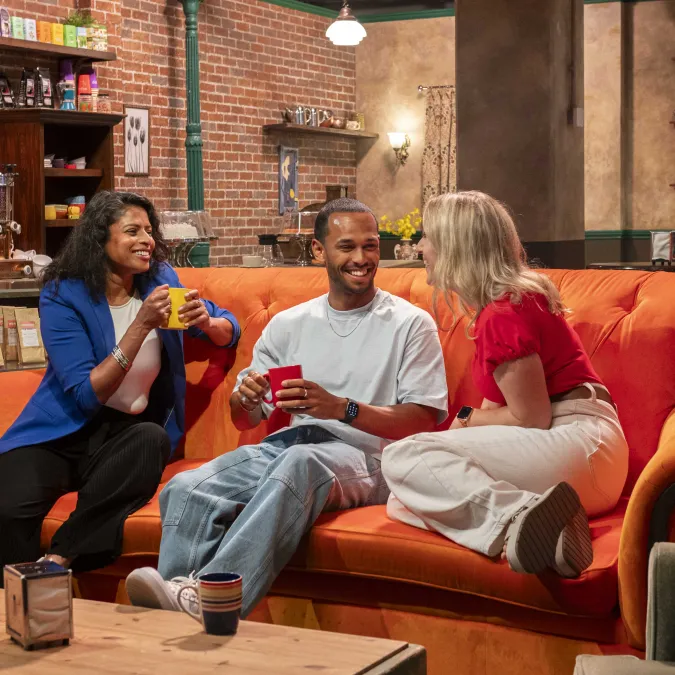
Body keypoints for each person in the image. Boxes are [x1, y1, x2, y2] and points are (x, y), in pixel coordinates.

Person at [125, 198, 449, 615]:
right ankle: (176, 610)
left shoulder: (410, 323)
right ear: (318, 252)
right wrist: (245, 398)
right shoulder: (290, 323)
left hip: (372, 456)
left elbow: (421, 420)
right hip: (289, 446)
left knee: (299, 462)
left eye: (370, 247)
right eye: (347, 247)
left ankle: (213, 603)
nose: (362, 259)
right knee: (185, 489)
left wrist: (341, 408)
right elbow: (245, 419)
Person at [381, 191, 629, 578]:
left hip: (581, 443)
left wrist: (466, 418)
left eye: (426, 236)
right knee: (402, 500)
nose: (420, 246)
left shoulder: (504, 311)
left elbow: (531, 418)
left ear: (454, 247)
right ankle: (554, 535)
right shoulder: (499, 308)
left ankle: (517, 517)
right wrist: (469, 422)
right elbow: (496, 414)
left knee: (401, 458)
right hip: (575, 461)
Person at [0, 191, 240, 584]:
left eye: (149, 230)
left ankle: (56, 563)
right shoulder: (63, 294)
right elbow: (84, 392)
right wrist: (141, 325)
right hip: (62, 431)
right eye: (133, 231)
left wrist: (209, 323)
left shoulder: (161, 279)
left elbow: (229, 328)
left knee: (151, 441)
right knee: (7, 506)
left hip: (127, 435)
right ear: (100, 238)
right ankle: (16, 609)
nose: (147, 239)